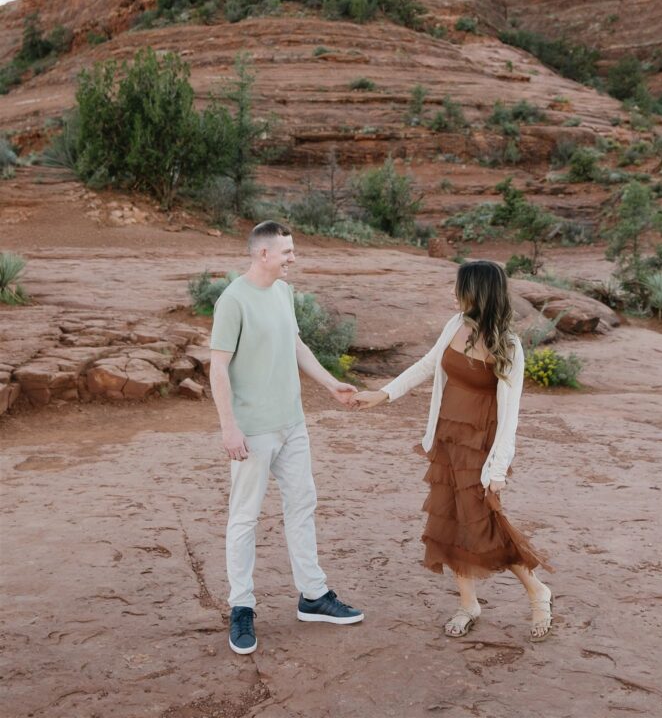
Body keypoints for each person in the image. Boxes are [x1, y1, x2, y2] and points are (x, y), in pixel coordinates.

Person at [353, 259, 553, 640]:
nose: (454, 293)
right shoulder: (454, 326)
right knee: (450, 519)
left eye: (460, 287)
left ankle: (537, 590)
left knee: (485, 522)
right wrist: (382, 394)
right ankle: (467, 604)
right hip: (447, 438)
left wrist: (498, 472)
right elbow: (427, 366)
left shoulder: (508, 345)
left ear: (478, 292)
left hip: (480, 445)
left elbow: (511, 415)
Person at [209, 220, 364, 655]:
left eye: (292, 250)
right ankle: (241, 607)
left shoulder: (283, 292)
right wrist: (229, 427)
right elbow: (218, 367)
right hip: (252, 431)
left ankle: (313, 595)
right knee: (244, 518)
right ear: (262, 254)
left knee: (302, 503)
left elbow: (296, 345)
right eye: (286, 251)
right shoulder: (232, 300)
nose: (293, 257)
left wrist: (331, 384)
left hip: (292, 423)